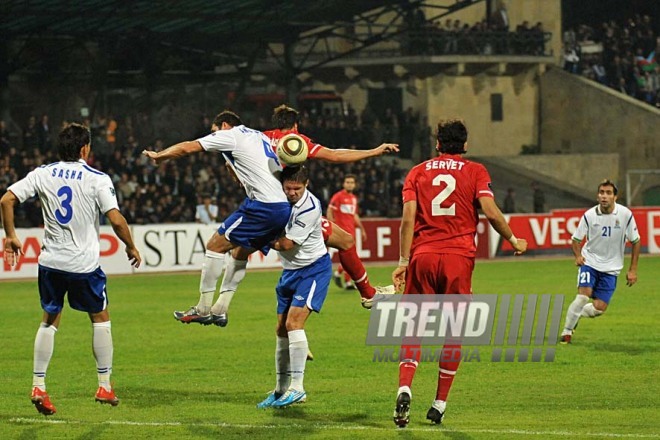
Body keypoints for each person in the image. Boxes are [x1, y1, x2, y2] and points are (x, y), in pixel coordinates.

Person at [178, 105, 398, 328]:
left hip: (264, 207)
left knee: (238, 250)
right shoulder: (296, 141)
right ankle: (368, 294)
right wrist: (374, 151)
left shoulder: (259, 138)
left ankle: (220, 308)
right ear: (295, 125)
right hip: (294, 207)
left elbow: (232, 164)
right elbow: (335, 155)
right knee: (345, 241)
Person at [391, 119, 527, 427]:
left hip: (423, 255)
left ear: (437, 143)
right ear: (464, 145)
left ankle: (404, 387)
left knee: (413, 328)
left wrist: (403, 259)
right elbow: (491, 212)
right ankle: (439, 404)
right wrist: (513, 239)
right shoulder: (476, 171)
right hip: (458, 258)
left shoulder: (417, 172)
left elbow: (407, 219)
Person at [0, 123, 142, 416]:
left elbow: (6, 199)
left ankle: (38, 385)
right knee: (100, 317)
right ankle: (104, 385)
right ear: (84, 149)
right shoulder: (96, 178)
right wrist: (130, 245)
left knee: (50, 319)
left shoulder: (42, 173)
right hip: (83, 265)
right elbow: (115, 219)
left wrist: (11, 236)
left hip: (50, 263)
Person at [142, 110, 291, 327]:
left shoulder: (230, 135)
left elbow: (187, 147)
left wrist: (160, 156)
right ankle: (220, 308)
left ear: (223, 125)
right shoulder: (259, 136)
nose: (212, 136)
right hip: (281, 205)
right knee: (240, 251)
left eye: (213, 131)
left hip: (263, 206)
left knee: (214, 246)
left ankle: (203, 308)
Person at [257, 165, 331, 408]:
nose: (291, 193)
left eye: (296, 188)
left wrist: (261, 238)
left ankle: (297, 388)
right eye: (288, 188)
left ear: (306, 184)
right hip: (289, 272)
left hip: (313, 270)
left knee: (293, 323)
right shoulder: (278, 198)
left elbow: (287, 244)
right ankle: (279, 390)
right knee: (280, 329)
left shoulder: (309, 207)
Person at [559, 180, 640, 344]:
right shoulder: (589, 215)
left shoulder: (625, 215)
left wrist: (633, 269)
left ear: (615, 197)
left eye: (608, 193)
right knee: (583, 297)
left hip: (611, 269)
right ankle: (566, 333)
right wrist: (577, 256)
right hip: (590, 262)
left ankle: (576, 314)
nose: (604, 196)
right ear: (598, 196)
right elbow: (575, 240)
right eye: (602, 192)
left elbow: (636, 241)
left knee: (599, 309)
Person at [327, 174, 367, 290]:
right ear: (343, 184)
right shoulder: (338, 196)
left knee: (350, 257)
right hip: (341, 232)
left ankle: (344, 279)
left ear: (355, 185)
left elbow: (354, 215)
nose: (349, 184)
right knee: (349, 256)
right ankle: (343, 278)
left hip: (351, 231)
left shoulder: (354, 199)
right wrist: (331, 225)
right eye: (347, 182)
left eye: (351, 182)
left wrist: (362, 228)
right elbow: (330, 210)